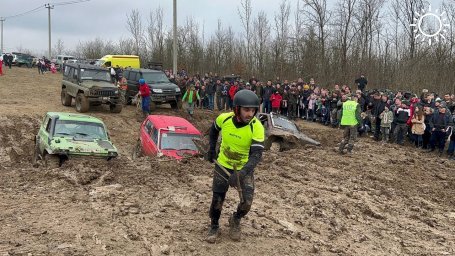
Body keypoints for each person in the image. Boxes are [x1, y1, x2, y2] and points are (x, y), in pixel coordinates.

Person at [205, 89, 265, 243]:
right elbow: (213, 132)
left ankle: (236, 219)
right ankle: (214, 225)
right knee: (217, 199)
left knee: (247, 202)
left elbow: (257, 155)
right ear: (237, 109)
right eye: (246, 110)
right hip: (223, 165)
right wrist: (211, 149)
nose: (250, 114)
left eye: (253, 110)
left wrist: (243, 173)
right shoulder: (223, 119)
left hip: (244, 168)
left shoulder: (257, 127)